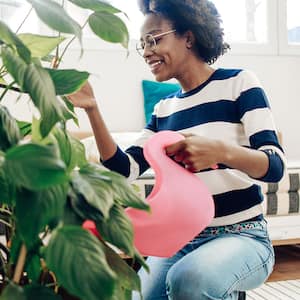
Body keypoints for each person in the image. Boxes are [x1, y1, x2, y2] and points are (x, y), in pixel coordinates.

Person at [68, 1, 286, 299]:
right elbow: (125, 169)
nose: (146, 51)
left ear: (189, 37)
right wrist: (93, 111)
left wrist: (222, 152)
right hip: (182, 238)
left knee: (189, 281)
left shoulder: (240, 83)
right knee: (139, 295)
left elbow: (275, 166)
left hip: (243, 234)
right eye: (142, 44)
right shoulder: (164, 109)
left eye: (155, 39)